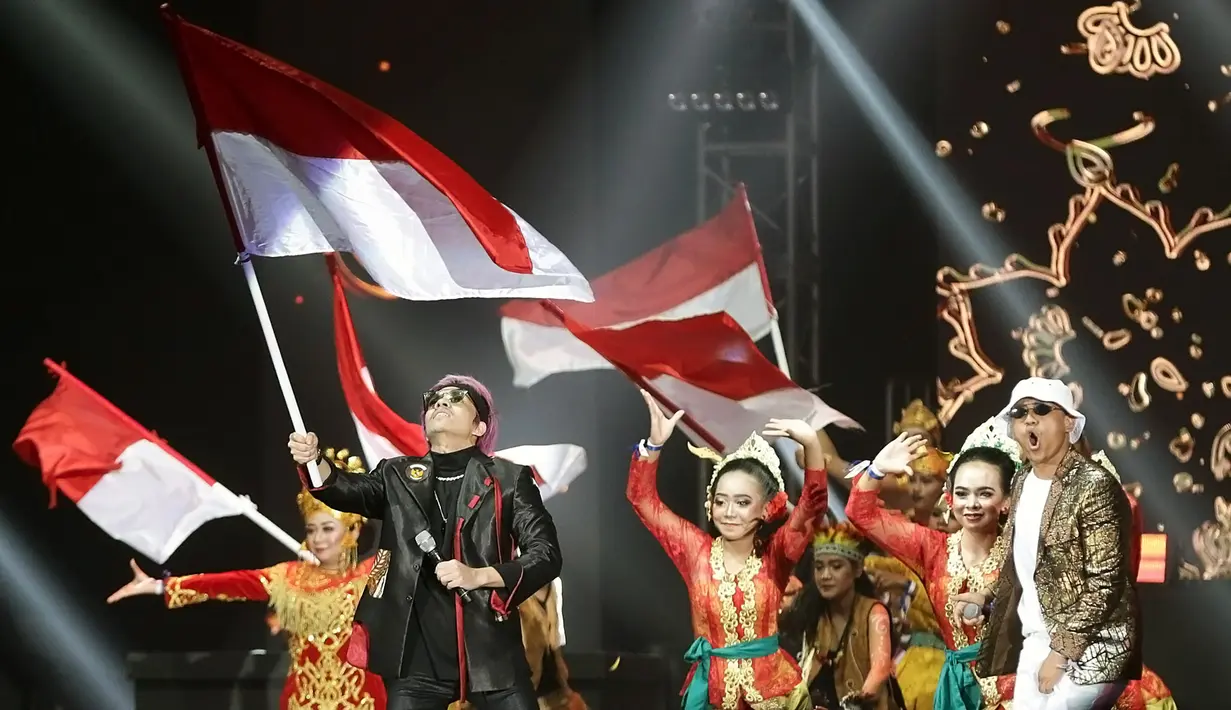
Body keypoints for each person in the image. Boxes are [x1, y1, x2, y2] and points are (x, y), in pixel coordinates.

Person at [290, 375, 562, 710]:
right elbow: (345, 489)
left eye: (456, 397)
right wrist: (313, 459)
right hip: (417, 660)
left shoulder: (509, 479)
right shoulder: (396, 475)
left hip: (491, 655)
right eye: (434, 398)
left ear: (479, 427)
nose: (440, 402)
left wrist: (479, 576)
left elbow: (546, 554)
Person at [107, 475, 385, 710]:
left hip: (362, 701)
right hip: (304, 700)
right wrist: (161, 586)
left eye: (327, 529)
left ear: (354, 530)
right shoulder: (288, 577)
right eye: (312, 529)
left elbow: (414, 549)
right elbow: (228, 583)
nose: (318, 539)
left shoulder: (374, 574)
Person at [627, 390, 829, 710]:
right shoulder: (696, 551)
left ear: (765, 509)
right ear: (710, 504)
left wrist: (813, 447)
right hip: (712, 695)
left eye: (742, 502)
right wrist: (653, 446)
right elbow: (643, 501)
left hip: (772, 696)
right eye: (721, 501)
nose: (729, 512)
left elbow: (812, 509)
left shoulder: (777, 555)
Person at [955, 377, 1139, 710]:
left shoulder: (1094, 485)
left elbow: (1106, 581)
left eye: (1041, 409)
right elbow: (1023, 563)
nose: (1029, 419)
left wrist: (1062, 652)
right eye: (1020, 412)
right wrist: (986, 596)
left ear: (1068, 423)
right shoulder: (1022, 481)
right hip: (1038, 640)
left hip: (1095, 646)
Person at [846, 419, 1020, 710]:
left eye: (985, 493)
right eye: (963, 493)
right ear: (949, 497)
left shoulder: (1022, 550)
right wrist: (877, 469)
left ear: (1006, 500)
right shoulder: (933, 549)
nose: (971, 504)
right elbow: (860, 512)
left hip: (1015, 690)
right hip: (955, 689)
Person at [779, 523, 901, 710]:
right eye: (819, 567)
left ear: (857, 570)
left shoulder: (874, 613)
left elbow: (880, 669)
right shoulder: (813, 613)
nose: (825, 575)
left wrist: (857, 701)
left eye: (836, 567)